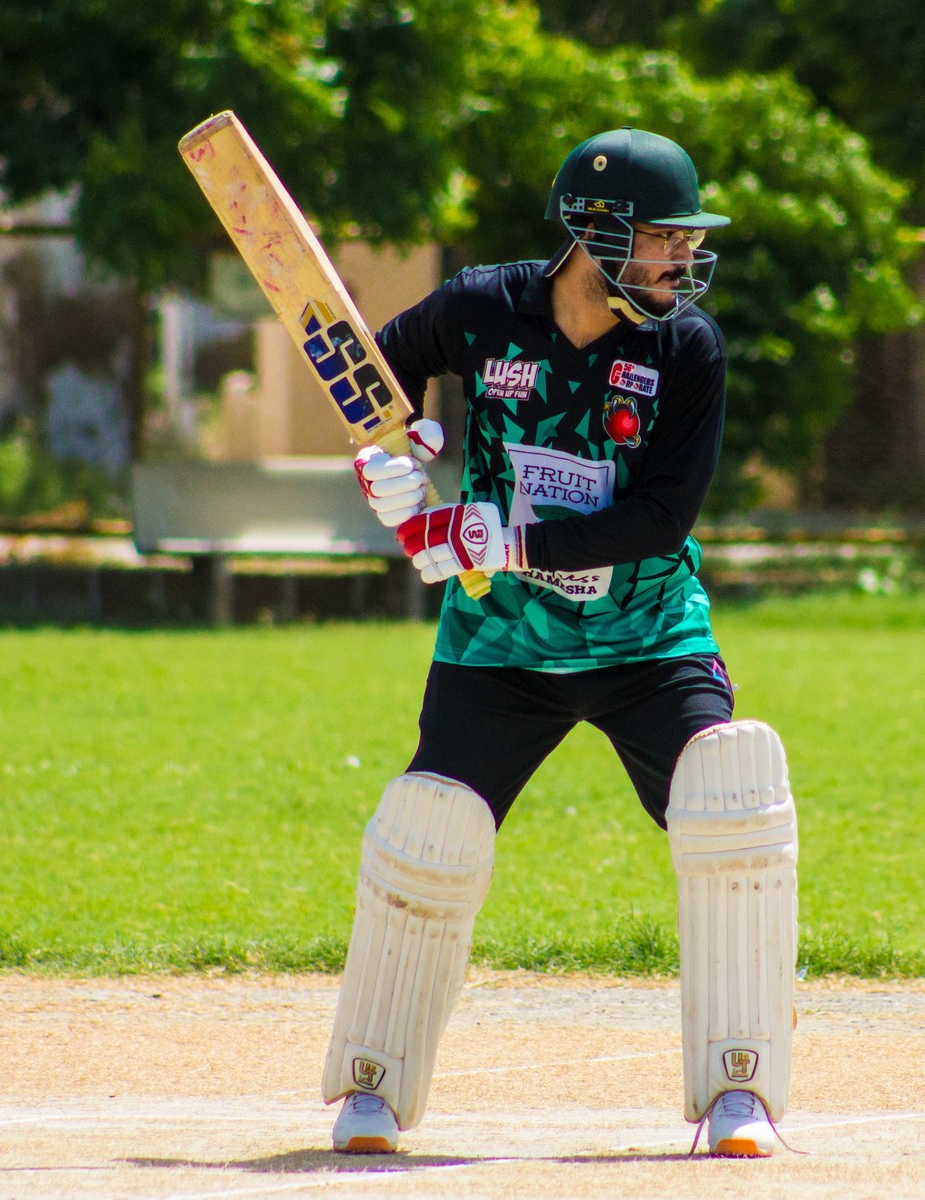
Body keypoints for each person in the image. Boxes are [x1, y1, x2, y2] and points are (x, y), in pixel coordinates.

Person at [324, 127, 799, 1158]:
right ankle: (372, 1084)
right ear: (596, 232)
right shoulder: (480, 308)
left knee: (730, 804)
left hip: (648, 640)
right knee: (430, 828)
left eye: (687, 239)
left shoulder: (686, 347)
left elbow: (662, 518)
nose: (682, 257)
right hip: (499, 645)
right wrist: (390, 460)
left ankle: (739, 1089)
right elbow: (376, 376)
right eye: (665, 237)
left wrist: (503, 538)